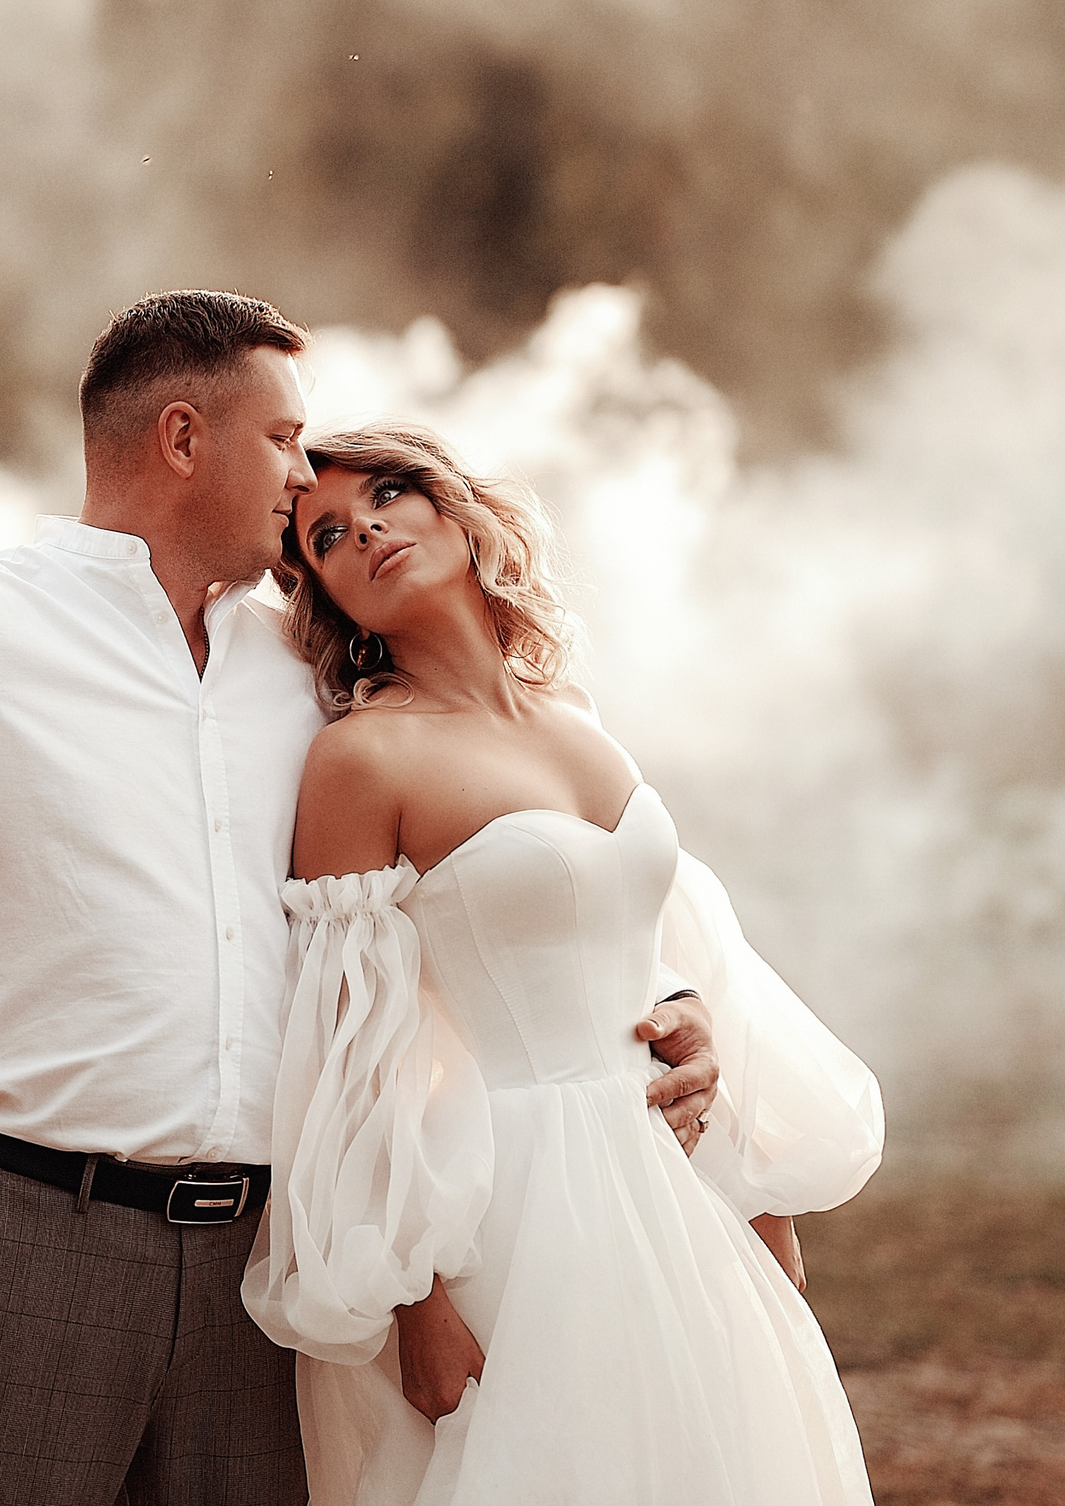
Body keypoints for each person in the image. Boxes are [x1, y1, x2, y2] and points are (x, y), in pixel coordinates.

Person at [0, 294, 723, 1506]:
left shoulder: (301, 665)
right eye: (285, 440)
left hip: (262, 1272)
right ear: (182, 439)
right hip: (31, 1237)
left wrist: (650, 998)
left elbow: (476, 875)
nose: (303, 475)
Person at [243, 418, 884, 1503]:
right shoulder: (362, 757)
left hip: (674, 1180)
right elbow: (357, 1048)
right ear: (327, 596)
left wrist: (755, 1187)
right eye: (327, 537)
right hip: (519, 1205)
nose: (366, 531)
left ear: (449, 507)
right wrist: (416, 1302)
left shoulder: (574, 714)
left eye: (388, 495)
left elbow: (681, 949)